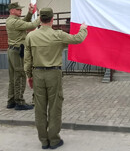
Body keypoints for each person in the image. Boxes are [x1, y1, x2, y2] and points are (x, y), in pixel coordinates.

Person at [24, 8, 88, 149]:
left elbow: (27, 59)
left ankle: (44, 141)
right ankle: (54, 140)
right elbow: (78, 39)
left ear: (40, 19)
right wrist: (83, 28)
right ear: (52, 19)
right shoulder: (58, 35)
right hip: (54, 74)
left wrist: (29, 76)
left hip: (37, 74)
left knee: (39, 109)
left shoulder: (30, 36)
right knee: (54, 107)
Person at [6, 2, 41, 110]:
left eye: (21, 10)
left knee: (13, 77)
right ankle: (19, 102)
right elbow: (32, 25)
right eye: (18, 9)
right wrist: (41, 17)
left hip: (13, 51)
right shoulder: (14, 22)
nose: (20, 11)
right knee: (20, 76)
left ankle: (11, 101)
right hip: (17, 52)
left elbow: (24, 22)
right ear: (12, 10)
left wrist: (30, 13)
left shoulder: (11, 20)